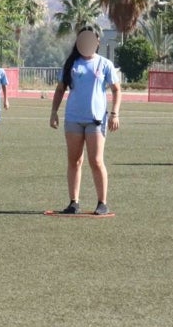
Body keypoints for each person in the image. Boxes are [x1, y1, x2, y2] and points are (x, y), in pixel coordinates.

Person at [49, 26, 121, 214]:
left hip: (96, 119)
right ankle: (74, 202)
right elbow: (60, 89)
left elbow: (116, 89)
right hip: (73, 118)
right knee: (74, 160)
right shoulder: (72, 63)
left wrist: (115, 113)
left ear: (97, 41)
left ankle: (102, 202)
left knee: (96, 161)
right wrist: (54, 111)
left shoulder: (104, 64)